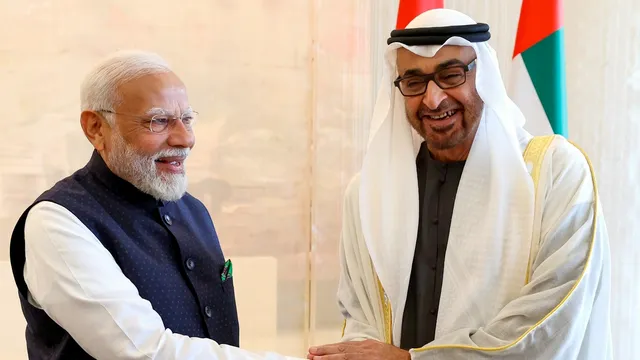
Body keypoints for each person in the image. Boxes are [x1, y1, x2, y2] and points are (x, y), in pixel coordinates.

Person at [307, 9, 611, 360]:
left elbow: (554, 321)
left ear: (483, 74)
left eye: (451, 75)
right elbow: (362, 319)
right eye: (414, 82)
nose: (433, 99)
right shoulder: (367, 195)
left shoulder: (556, 174)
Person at [9, 51, 302, 360]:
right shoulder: (58, 222)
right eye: (158, 121)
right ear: (96, 128)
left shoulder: (193, 210)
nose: (185, 139)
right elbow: (143, 351)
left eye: (187, 119)